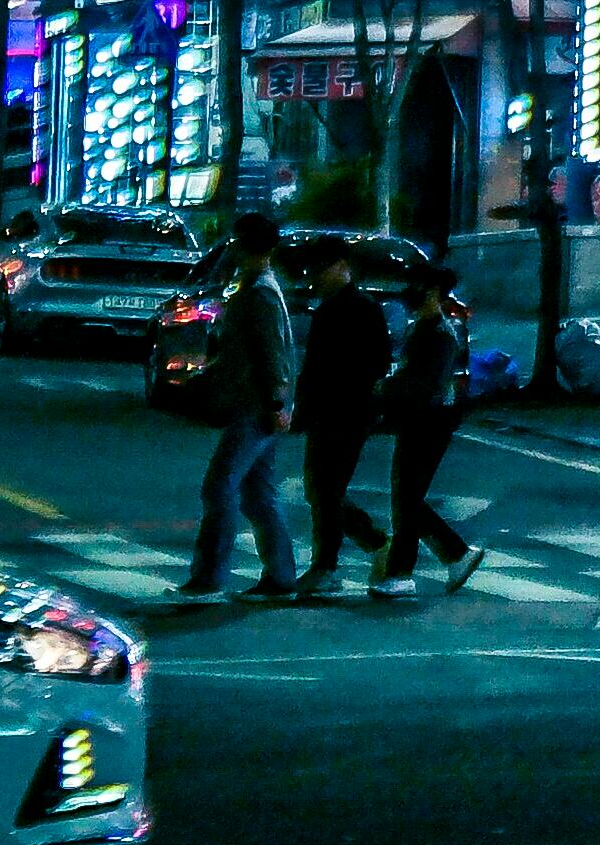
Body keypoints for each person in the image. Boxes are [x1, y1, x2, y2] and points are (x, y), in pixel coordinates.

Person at [175, 228, 304, 604]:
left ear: (250, 250)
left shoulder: (260, 293)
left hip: (257, 404)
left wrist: (279, 403)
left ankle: (210, 575)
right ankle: (280, 575)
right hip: (260, 402)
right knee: (258, 493)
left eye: (237, 247)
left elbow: (272, 352)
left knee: (220, 486)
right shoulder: (262, 288)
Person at [372, 255, 482, 591]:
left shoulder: (440, 334)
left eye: (419, 287)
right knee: (407, 497)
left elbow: (426, 385)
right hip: (420, 419)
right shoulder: (422, 328)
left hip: (430, 421)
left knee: (407, 497)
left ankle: (404, 572)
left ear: (434, 292)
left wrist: (385, 388)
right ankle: (455, 554)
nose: (411, 293)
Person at [289, 231, 390, 586]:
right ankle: (369, 543)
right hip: (326, 411)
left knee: (326, 489)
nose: (314, 277)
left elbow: (378, 361)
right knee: (321, 489)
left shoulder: (361, 309)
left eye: (321, 268)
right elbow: (313, 367)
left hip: (348, 412)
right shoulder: (328, 310)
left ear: (342, 267)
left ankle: (328, 565)